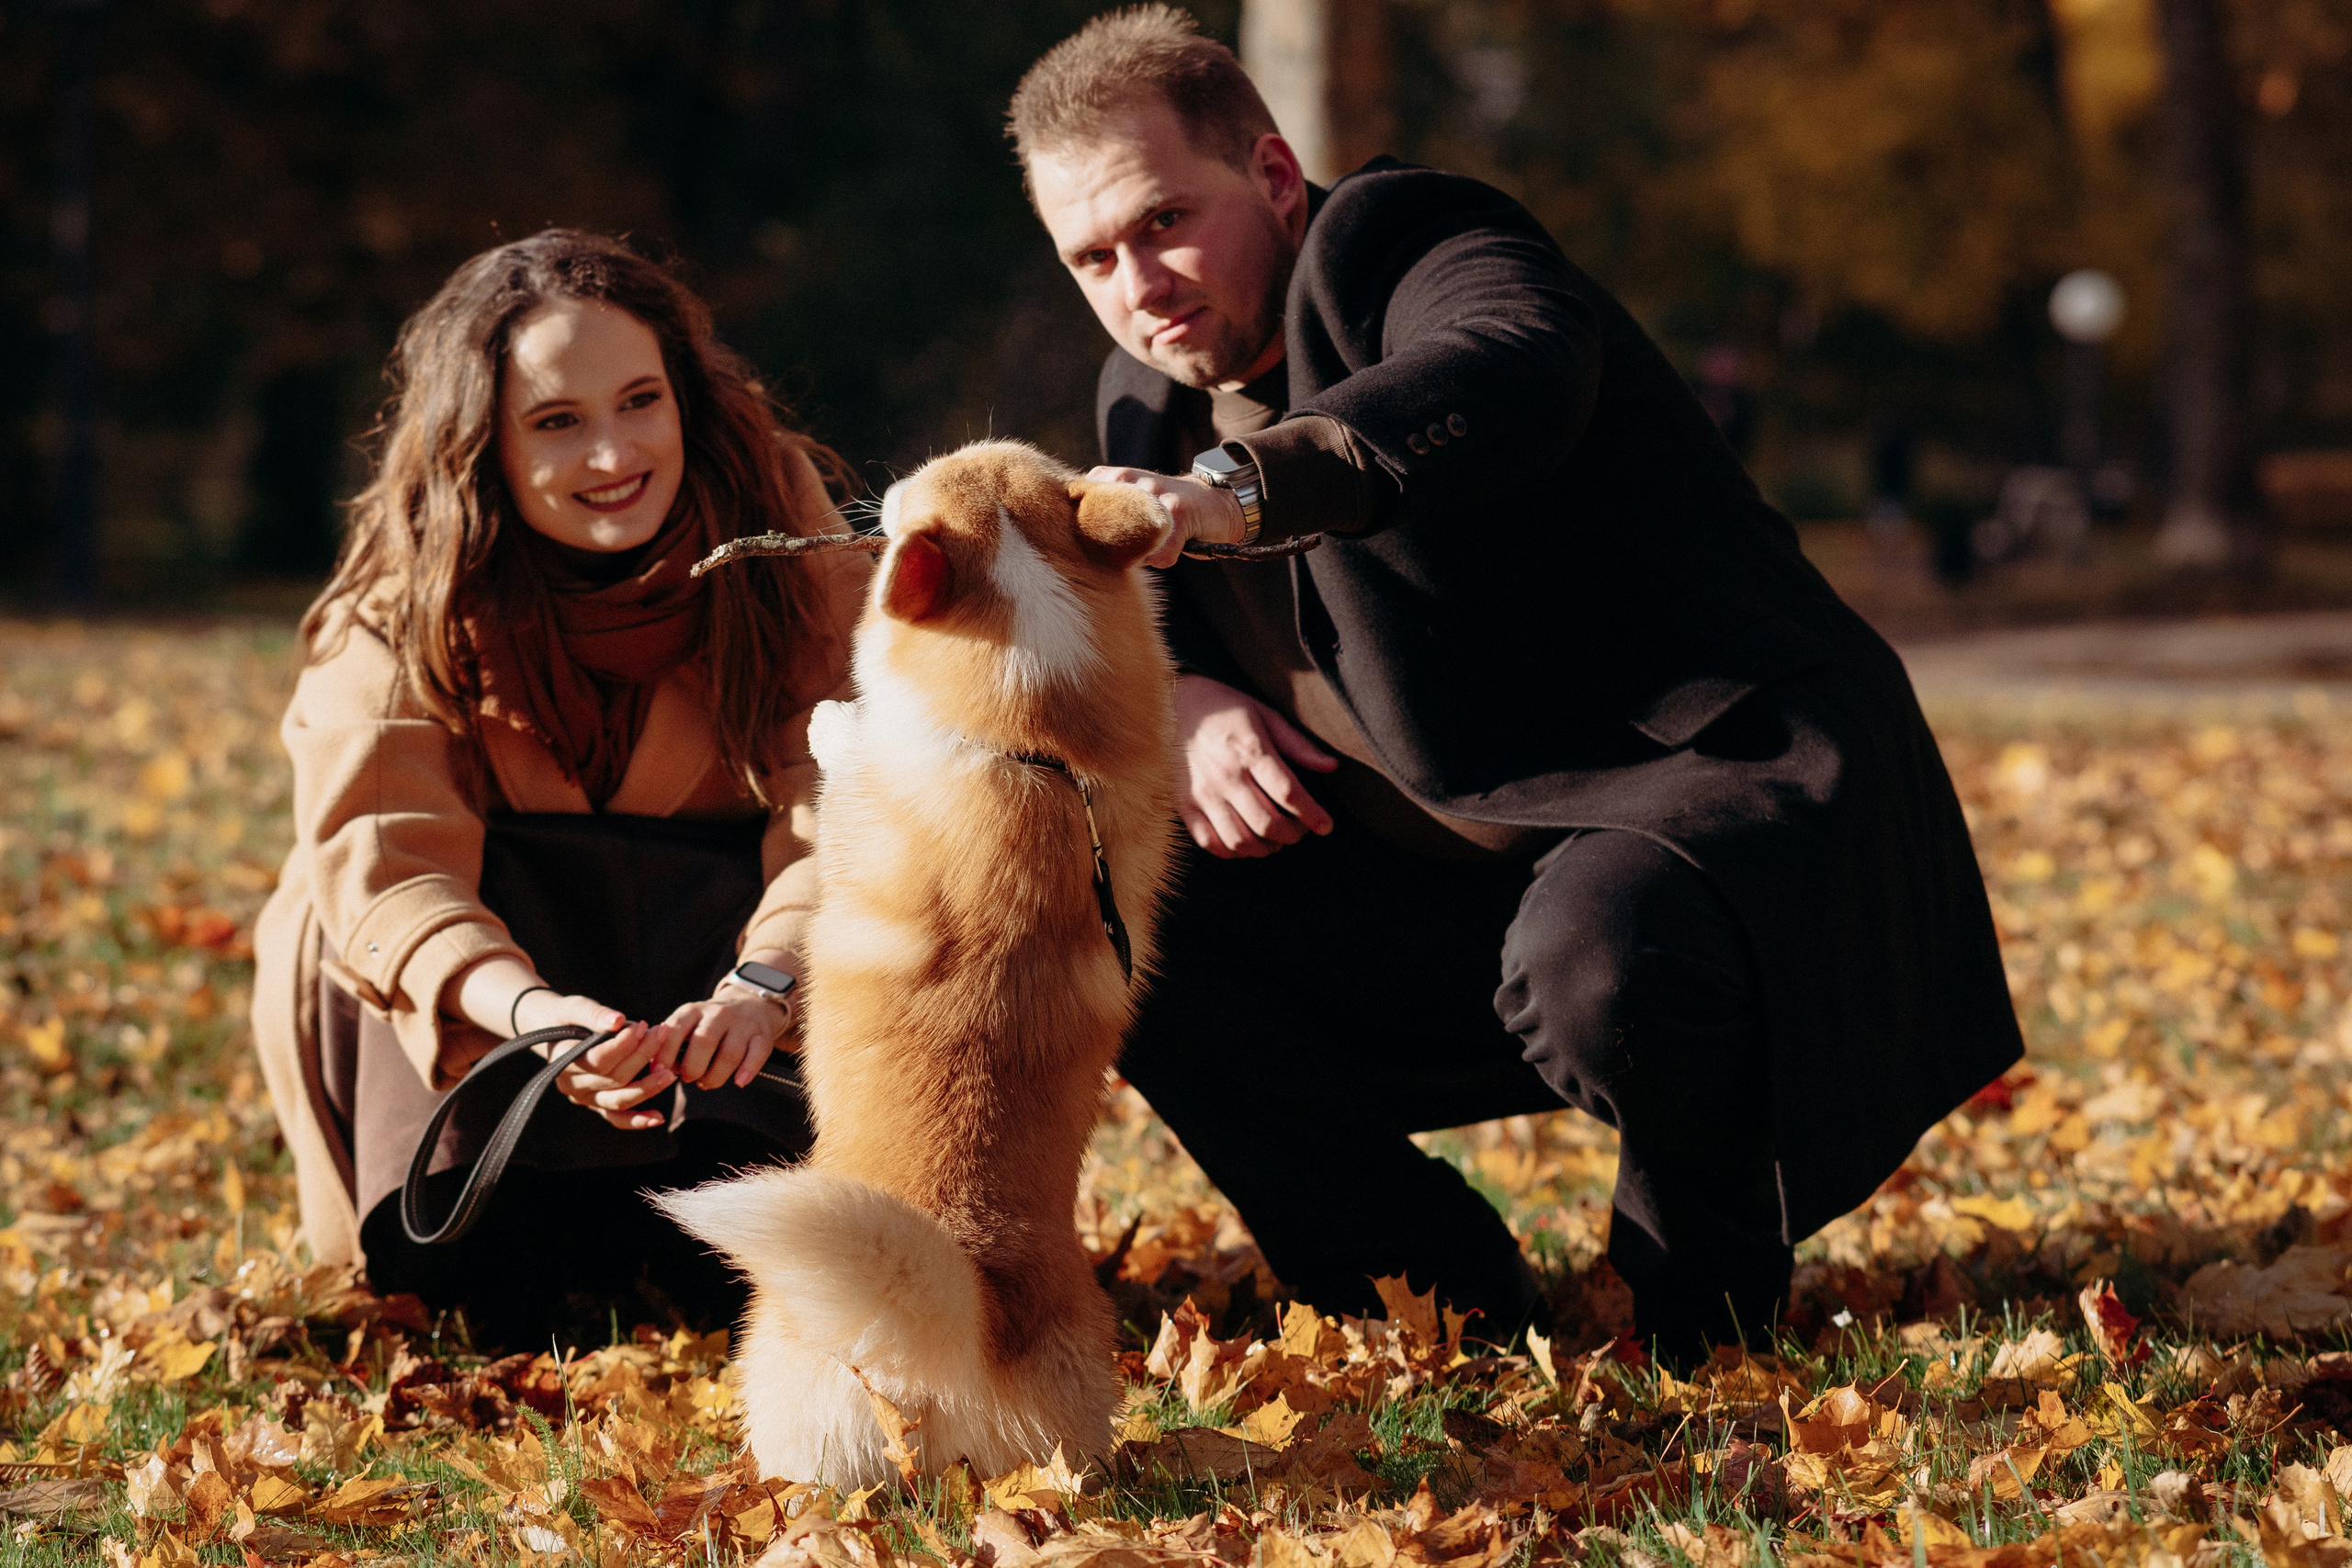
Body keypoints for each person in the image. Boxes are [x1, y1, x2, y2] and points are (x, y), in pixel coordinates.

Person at [1007, 8, 2023, 1360]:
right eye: (1093, 256)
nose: (1139, 282)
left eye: (1164, 222)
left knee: (1604, 958)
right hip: (1442, 888)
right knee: (1093, 905)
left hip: (1698, 809)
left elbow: (1513, 364)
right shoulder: (1141, 401)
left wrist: (1242, 491)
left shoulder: (1406, 240)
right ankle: (1423, 1285)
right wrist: (1181, 700)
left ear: (1273, 175)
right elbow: (1132, 627)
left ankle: (1704, 1319)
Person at [250, 231, 866, 1348]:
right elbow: (387, 867)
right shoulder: (408, 589)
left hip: (723, 1019)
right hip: (503, 1041)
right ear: (482, 443)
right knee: (319, 908)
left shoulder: (778, 535)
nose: (612, 454)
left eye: (639, 401)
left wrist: (766, 985)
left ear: (684, 395)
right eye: (556, 422)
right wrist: (535, 1022)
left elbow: (843, 796)